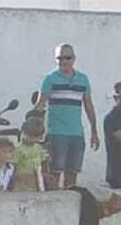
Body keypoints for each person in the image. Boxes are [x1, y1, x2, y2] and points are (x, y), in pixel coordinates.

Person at [33, 43, 99, 189]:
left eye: (67, 57)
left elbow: (88, 106)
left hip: (76, 133)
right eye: (60, 58)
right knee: (54, 175)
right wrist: (33, 129)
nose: (63, 61)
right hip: (56, 133)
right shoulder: (50, 79)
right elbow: (40, 104)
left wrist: (94, 131)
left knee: (72, 176)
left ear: (74, 58)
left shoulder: (83, 79)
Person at [13, 115, 48, 192]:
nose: (34, 140)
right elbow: (13, 166)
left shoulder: (38, 148)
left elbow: (43, 162)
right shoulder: (19, 149)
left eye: (37, 137)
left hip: (35, 179)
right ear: (24, 133)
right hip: (22, 179)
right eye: (31, 136)